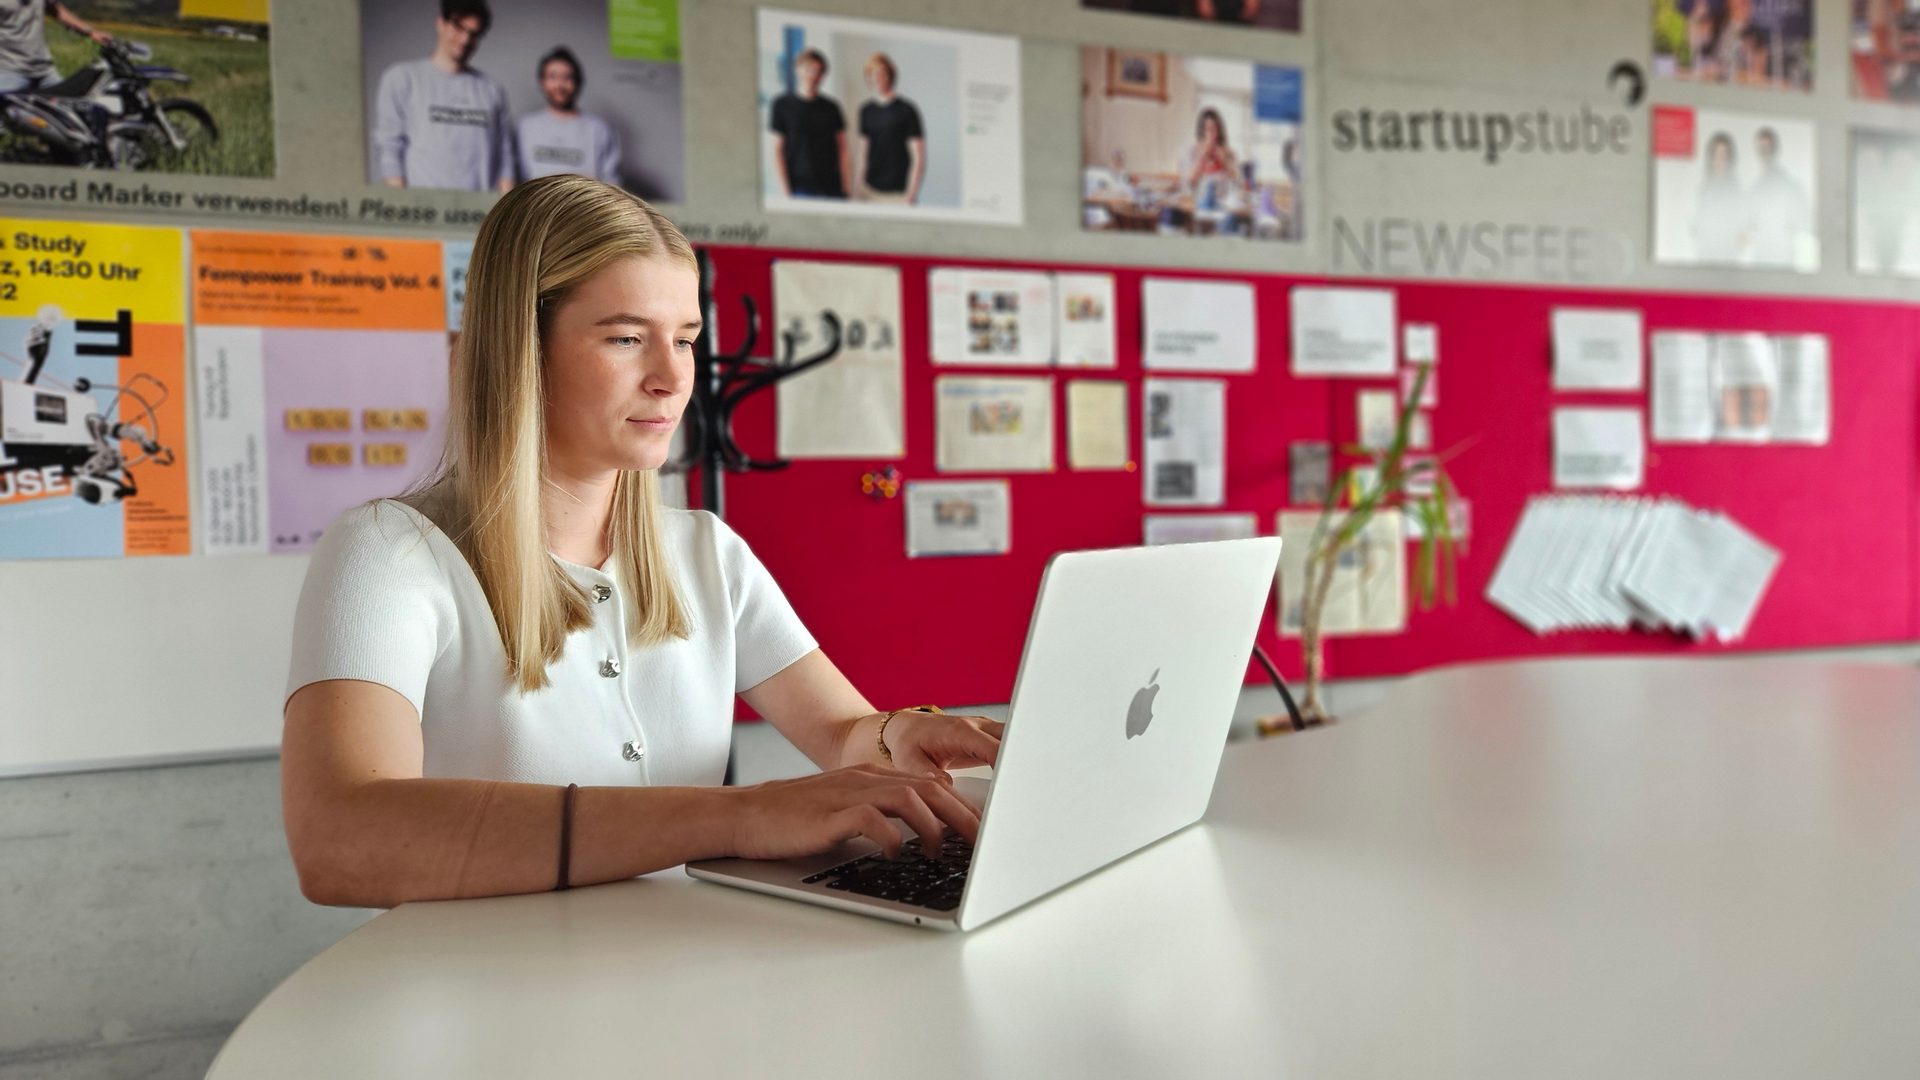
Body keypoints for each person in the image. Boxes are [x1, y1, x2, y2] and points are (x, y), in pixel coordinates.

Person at [281, 175, 998, 908]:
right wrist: (741, 814)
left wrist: (895, 739)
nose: (671, 377)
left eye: (684, 340)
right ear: (522, 347)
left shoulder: (705, 552)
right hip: (491, 999)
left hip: (682, 978)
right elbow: (340, 837)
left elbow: (843, 731)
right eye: (627, 338)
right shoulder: (388, 554)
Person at [370, 0, 514, 193]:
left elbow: (505, 157)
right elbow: (389, 148)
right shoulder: (402, 78)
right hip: (423, 213)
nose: (465, 40)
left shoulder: (492, 90)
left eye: (473, 34)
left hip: (481, 215)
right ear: (441, 23)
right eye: (458, 27)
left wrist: (504, 214)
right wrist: (402, 209)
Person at [515, 46, 621, 184]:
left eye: (567, 77)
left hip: (584, 205)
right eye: (552, 76)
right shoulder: (525, 126)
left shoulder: (599, 129)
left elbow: (612, 184)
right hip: (534, 205)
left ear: (577, 82)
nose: (560, 85)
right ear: (542, 82)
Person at [768, 47, 848, 199]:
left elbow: (842, 149)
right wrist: (786, 192)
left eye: (818, 71)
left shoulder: (832, 107)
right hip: (799, 189)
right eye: (808, 69)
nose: (813, 75)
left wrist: (845, 187)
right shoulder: (781, 105)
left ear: (822, 76)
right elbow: (777, 151)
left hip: (832, 188)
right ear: (797, 70)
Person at [855, 53, 924, 204]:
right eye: (872, 74)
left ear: (891, 75)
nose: (877, 77)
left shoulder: (907, 109)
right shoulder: (866, 110)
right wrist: (858, 187)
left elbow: (918, 157)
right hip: (870, 191)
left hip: (899, 194)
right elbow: (863, 153)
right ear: (868, 78)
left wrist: (911, 195)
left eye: (881, 72)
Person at [0, 0, 110, 93]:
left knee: (67, 108)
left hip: (44, 70)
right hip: (10, 71)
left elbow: (57, 10)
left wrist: (90, 32)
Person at [1746, 126, 1810, 267]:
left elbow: (1803, 222)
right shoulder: (1754, 191)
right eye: (1761, 149)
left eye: (1768, 148)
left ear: (1775, 149)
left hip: (1784, 260)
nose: (1765, 153)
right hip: (1761, 260)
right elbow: (1749, 226)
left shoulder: (1792, 187)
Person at [1690, 131, 1748, 263]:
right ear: (1711, 156)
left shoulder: (1737, 190)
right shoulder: (1703, 189)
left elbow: (1743, 225)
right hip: (1706, 253)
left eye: (1724, 154)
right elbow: (1694, 223)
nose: (1720, 158)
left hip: (1729, 255)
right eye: (1717, 154)